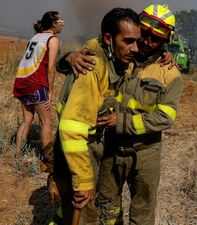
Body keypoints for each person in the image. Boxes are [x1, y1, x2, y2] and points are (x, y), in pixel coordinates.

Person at [64, 4, 183, 225]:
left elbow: (165, 118)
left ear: (165, 41)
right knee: (108, 207)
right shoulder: (122, 58)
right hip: (112, 148)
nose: (146, 42)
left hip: (145, 153)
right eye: (144, 34)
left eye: (155, 39)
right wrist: (70, 56)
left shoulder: (170, 73)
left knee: (142, 213)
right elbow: (97, 44)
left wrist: (121, 121)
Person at [50, 8, 141, 225]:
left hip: (89, 145)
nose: (135, 48)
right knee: (85, 215)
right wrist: (83, 180)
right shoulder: (93, 66)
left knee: (67, 208)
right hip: (78, 149)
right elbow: (72, 128)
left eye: (137, 41)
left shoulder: (115, 57)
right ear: (108, 38)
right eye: (128, 41)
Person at [13, 11, 63, 157]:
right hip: (35, 83)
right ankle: (47, 159)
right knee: (46, 121)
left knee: (26, 120)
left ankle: (17, 155)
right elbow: (51, 68)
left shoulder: (35, 37)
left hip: (22, 81)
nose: (63, 24)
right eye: (61, 21)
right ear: (54, 24)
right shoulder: (52, 39)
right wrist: (50, 92)